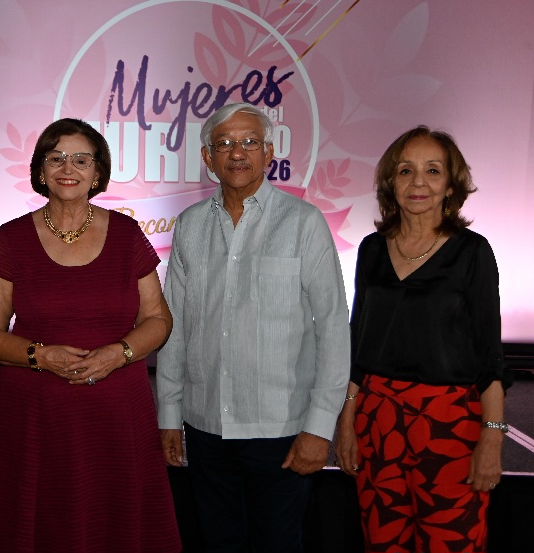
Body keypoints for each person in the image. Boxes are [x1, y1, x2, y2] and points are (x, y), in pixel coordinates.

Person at [0, 118, 181, 553]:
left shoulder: (127, 235)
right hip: (33, 422)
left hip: (116, 421)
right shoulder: (11, 238)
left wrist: (119, 353)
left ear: (97, 173)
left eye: (82, 160)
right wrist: (40, 355)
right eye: (56, 158)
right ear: (40, 170)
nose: (68, 168)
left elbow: (159, 319)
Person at [157, 102, 350, 552]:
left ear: (269, 153)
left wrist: (319, 427)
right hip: (205, 425)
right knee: (217, 543)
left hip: (281, 429)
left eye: (249, 142)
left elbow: (333, 329)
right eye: (224, 143)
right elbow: (174, 327)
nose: (237, 152)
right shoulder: (189, 226)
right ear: (207, 158)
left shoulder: (303, 223)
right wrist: (168, 416)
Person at [335, 125, 511, 553]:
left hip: (450, 424)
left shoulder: (473, 252)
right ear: (390, 183)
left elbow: (490, 356)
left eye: (433, 170)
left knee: (452, 543)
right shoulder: (371, 249)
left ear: (451, 185)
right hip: (377, 419)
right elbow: (359, 341)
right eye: (405, 171)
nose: (418, 182)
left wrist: (492, 438)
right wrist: (347, 420)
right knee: (382, 542)